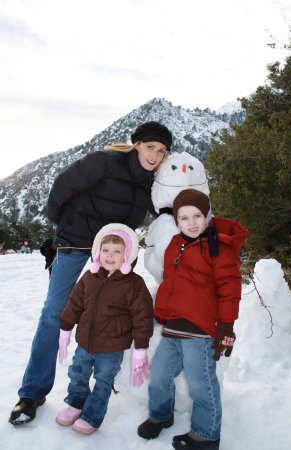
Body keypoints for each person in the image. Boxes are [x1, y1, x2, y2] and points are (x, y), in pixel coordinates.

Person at [9, 120, 172, 425]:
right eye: (150, 147)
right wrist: (61, 225)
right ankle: (32, 393)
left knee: (114, 314)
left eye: (161, 151)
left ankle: (105, 382)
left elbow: (164, 209)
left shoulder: (153, 183)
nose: (155, 155)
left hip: (116, 256)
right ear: (136, 144)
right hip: (76, 243)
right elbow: (62, 186)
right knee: (55, 313)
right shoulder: (106, 162)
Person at [137, 189, 248, 450]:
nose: (191, 222)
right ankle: (161, 415)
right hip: (173, 328)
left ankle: (207, 435)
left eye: (197, 215)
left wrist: (227, 326)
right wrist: (158, 313)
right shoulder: (176, 243)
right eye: (184, 217)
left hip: (201, 333)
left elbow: (230, 288)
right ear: (176, 221)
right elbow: (171, 283)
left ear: (207, 216)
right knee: (160, 375)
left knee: (201, 384)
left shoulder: (217, 246)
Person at [55, 223, 153, 435]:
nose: (110, 255)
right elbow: (74, 304)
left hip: (112, 346)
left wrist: (140, 350)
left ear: (127, 255)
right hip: (85, 342)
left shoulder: (134, 284)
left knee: (103, 380)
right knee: (77, 373)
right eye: (105, 250)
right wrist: (65, 331)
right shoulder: (90, 276)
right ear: (97, 252)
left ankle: (92, 415)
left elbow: (142, 317)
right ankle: (76, 403)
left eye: (117, 251)